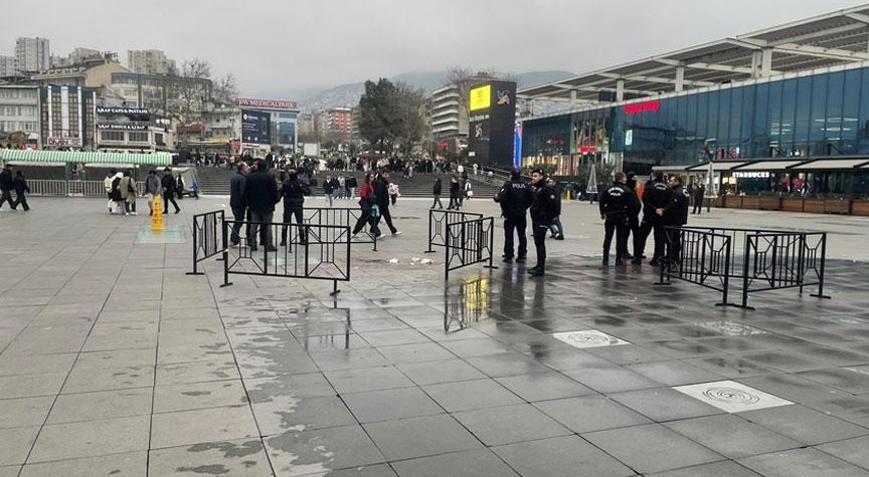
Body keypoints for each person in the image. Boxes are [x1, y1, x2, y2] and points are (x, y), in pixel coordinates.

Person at [599, 172, 640, 265]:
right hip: (621, 216)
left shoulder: (608, 189)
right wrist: (630, 216)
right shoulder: (627, 190)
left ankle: (605, 258)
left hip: (610, 216)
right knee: (620, 238)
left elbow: (601, 201)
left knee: (608, 237)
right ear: (622, 179)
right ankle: (618, 259)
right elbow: (632, 205)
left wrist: (602, 213)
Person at [494, 169, 532, 264]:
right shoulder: (526, 185)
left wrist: (497, 198)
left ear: (511, 175)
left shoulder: (508, 185)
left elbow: (500, 197)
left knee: (509, 235)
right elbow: (531, 199)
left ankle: (509, 254)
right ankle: (522, 254)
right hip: (521, 214)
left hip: (510, 214)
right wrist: (524, 207)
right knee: (522, 235)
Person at [634, 172, 672, 265]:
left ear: (654, 176)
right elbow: (671, 201)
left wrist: (654, 209)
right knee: (659, 238)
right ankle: (657, 258)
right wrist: (663, 209)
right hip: (661, 216)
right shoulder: (667, 187)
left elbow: (645, 199)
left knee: (642, 236)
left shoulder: (650, 186)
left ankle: (638, 257)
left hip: (649, 214)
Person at [528, 168, 559, 277]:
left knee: (540, 242)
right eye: (532, 176)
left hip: (542, 220)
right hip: (536, 219)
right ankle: (539, 265)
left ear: (541, 177)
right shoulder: (537, 189)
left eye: (535, 176)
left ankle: (541, 267)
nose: (533, 178)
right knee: (538, 242)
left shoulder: (546, 189)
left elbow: (554, 205)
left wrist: (550, 219)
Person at [244, 159, 279, 252]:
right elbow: (275, 192)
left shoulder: (250, 177)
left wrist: (248, 203)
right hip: (268, 205)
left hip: (254, 205)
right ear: (266, 166)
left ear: (258, 166)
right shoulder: (270, 177)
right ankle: (269, 245)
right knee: (268, 226)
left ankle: (253, 244)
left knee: (254, 225)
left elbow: (246, 192)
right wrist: (274, 201)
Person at [661, 175, 690, 263]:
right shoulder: (684, 190)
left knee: (672, 238)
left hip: (674, 218)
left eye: (671, 181)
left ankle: (672, 256)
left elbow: (673, 204)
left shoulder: (677, 192)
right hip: (680, 218)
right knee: (675, 237)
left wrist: (664, 210)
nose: (669, 182)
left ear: (677, 181)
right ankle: (674, 256)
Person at [280, 169, 310, 246]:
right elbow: (307, 191)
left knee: (286, 222)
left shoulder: (286, 182)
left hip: (289, 203)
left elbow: (281, 193)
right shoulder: (300, 182)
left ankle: (284, 240)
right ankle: (302, 239)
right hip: (297, 203)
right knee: (299, 222)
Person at [352, 172, 381, 237]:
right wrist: (370, 197)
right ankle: (377, 233)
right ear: (368, 177)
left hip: (368, 203)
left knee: (366, 218)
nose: (372, 178)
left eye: (373, 177)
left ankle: (356, 231)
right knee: (365, 219)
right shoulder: (366, 184)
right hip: (366, 203)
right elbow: (363, 195)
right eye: (371, 177)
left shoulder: (370, 184)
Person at [373, 170, 400, 236]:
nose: (388, 175)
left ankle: (393, 230)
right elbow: (379, 194)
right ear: (383, 174)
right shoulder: (380, 182)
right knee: (378, 218)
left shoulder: (383, 182)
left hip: (383, 203)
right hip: (382, 203)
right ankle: (374, 230)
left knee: (387, 218)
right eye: (386, 174)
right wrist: (378, 203)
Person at [229, 162, 249, 245]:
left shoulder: (234, 176)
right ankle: (234, 238)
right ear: (243, 168)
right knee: (238, 221)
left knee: (237, 220)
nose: (248, 168)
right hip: (240, 203)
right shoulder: (242, 178)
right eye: (246, 167)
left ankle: (234, 237)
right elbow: (242, 192)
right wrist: (246, 203)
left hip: (233, 201)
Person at [624, 172, 642, 262]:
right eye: (634, 179)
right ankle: (624, 252)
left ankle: (637, 253)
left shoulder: (632, 189)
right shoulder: (628, 189)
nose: (636, 181)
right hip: (628, 216)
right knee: (625, 235)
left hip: (634, 216)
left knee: (637, 235)